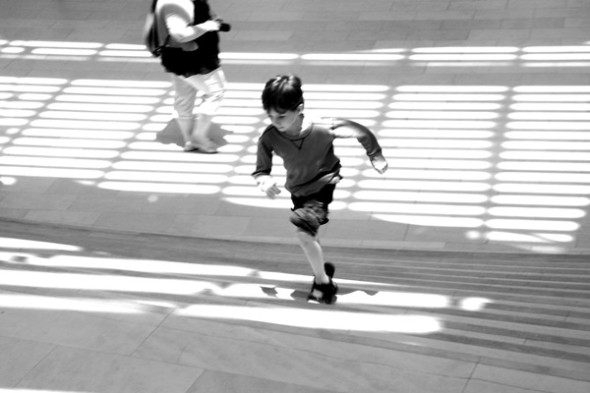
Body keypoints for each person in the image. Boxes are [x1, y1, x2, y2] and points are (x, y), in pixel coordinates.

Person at [252, 74, 389, 304]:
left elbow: (361, 131)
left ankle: (324, 284)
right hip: (298, 190)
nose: (275, 121)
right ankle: (321, 270)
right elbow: (261, 170)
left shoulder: (323, 125)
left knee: (303, 234)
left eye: (282, 116)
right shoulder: (270, 137)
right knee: (310, 237)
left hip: (323, 184)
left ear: (299, 109)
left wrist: (375, 155)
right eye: (271, 115)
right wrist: (264, 181)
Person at [155, 0, 227, 153]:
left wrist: (212, 17)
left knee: (184, 96)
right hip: (192, 57)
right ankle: (198, 136)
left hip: (177, 56)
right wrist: (207, 26)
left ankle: (189, 140)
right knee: (216, 91)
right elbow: (180, 34)